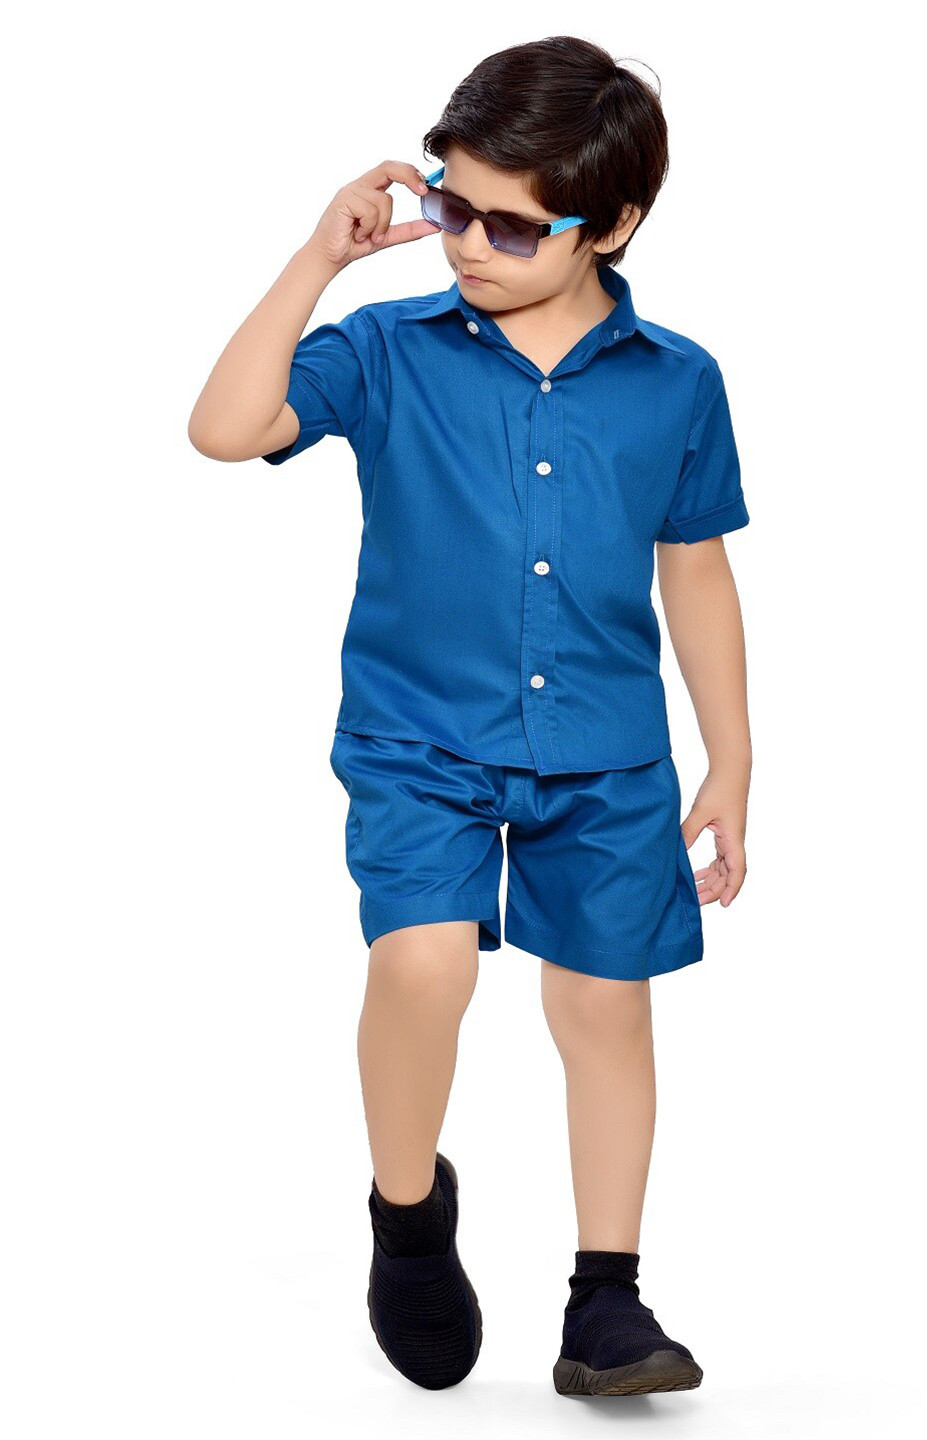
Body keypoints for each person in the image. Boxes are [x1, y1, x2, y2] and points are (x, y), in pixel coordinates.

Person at [188, 35, 751, 1398]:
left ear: (609, 224)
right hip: (419, 740)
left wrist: (732, 758)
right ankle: (406, 1215)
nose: (467, 244)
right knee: (426, 964)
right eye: (452, 204)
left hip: (606, 749)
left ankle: (606, 1301)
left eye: (511, 224)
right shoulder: (392, 349)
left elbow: (696, 569)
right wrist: (320, 259)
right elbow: (225, 427)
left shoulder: (677, 381)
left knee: (606, 1006)